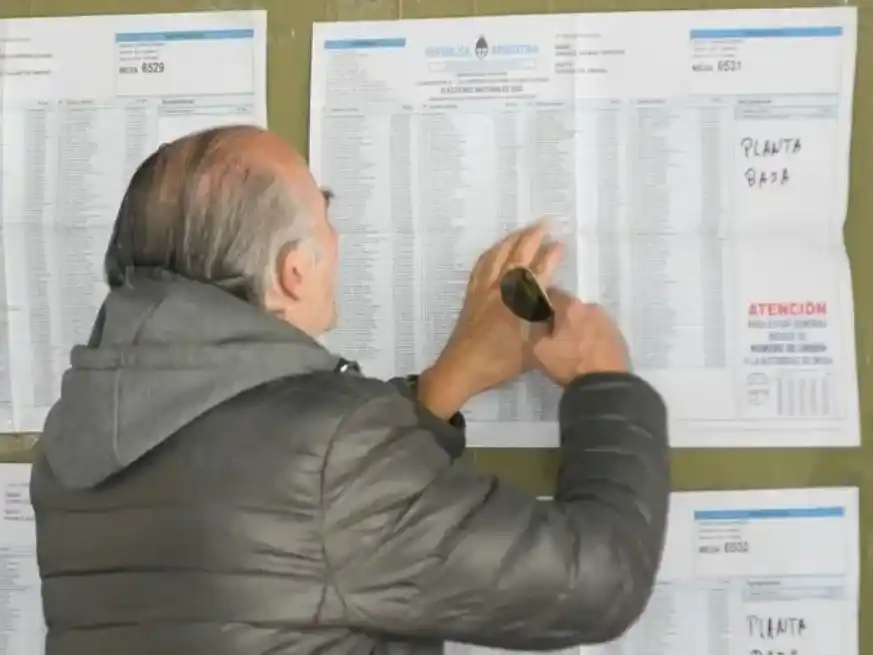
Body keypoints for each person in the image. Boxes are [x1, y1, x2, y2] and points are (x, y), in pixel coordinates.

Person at [30, 125, 670, 655]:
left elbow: (292, 527)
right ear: (293, 273)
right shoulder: (331, 451)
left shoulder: (71, 443)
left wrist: (449, 382)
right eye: (325, 207)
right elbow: (596, 579)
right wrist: (604, 382)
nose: (337, 236)